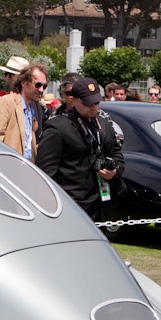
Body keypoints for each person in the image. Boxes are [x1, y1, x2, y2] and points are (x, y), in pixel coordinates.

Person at [36, 77, 125, 222]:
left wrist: (114, 171)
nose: (93, 107)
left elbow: (117, 154)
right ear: (74, 99)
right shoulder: (58, 127)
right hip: (71, 206)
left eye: (96, 102)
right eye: (88, 103)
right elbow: (46, 173)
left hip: (99, 204)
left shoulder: (103, 124)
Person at [0, 63, 49, 160]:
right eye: (38, 85)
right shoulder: (6, 103)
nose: (41, 90)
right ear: (24, 83)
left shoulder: (31, 110)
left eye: (44, 86)